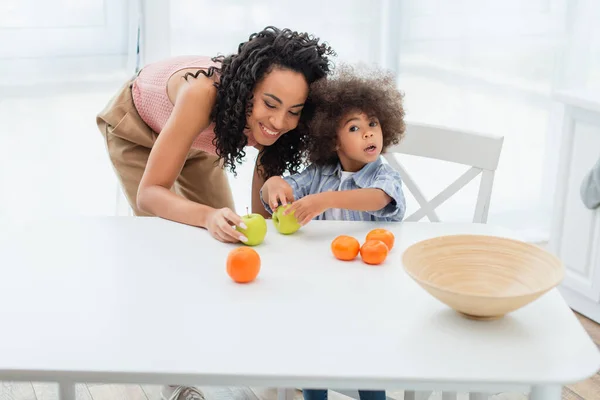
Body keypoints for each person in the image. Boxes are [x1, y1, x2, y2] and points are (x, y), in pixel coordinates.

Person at [96, 26, 335, 245]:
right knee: (166, 235)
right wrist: (207, 216)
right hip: (136, 129)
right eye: (270, 104)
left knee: (227, 229)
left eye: (294, 111)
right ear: (246, 89)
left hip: (199, 140)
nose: (279, 121)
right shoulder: (201, 95)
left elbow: (261, 215)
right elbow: (149, 195)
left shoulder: (276, 126)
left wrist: (266, 239)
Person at [260, 64, 406, 230]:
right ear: (333, 140)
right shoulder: (319, 174)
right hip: (326, 254)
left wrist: (326, 200)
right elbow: (281, 191)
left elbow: (379, 199)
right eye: (354, 128)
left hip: (372, 252)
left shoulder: (384, 175)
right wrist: (273, 185)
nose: (368, 133)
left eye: (372, 123)